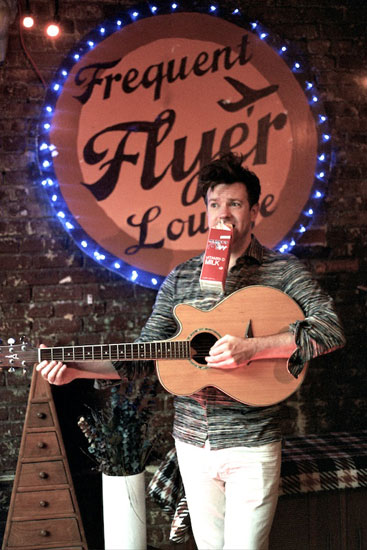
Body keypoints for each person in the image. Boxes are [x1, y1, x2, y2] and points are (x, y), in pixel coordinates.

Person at [36, 152, 345, 550]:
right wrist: (76, 369)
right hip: (193, 444)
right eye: (215, 205)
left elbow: (330, 330)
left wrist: (254, 348)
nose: (224, 214)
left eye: (234, 204)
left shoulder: (284, 272)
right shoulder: (181, 278)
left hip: (252, 442)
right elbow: (145, 355)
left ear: (254, 212)